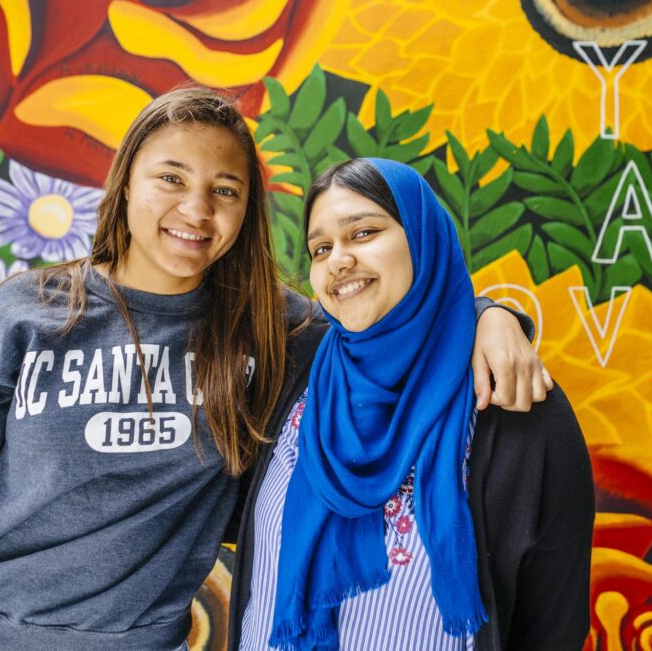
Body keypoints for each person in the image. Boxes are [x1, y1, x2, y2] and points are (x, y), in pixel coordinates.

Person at [0, 87, 548, 650]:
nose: (196, 209)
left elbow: (394, 317)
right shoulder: (25, 313)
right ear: (126, 185)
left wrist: (493, 315)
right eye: (172, 179)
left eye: (225, 190)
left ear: (246, 211)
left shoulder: (276, 328)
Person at [229, 158, 595, 651]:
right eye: (321, 248)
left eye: (362, 233)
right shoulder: (293, 367)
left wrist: (486, 315)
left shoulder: (515, 409)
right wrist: (493, 313)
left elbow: (553, 625)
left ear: (424, 238)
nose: (338, 259)